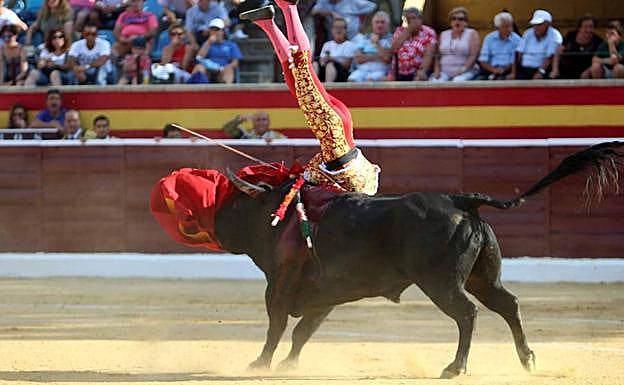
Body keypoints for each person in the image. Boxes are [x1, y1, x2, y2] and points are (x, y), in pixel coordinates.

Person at [241, 3, 379, 195]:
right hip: (333, 134)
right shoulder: (343, 181)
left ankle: (266, 23)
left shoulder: (356, 180)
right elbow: (314, 177)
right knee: (302, 70)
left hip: (343, 130)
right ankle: (289, 8)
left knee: (299, 82)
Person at [431, 6, 479, 82]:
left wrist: (462, 70)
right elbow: (437, 56)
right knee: (434, 82)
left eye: (461, 19)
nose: (457, 21)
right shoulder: (443, 34)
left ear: (466, 22)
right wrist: (437, 70)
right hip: (444, 71)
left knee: (457, 82)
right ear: (450, 21)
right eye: (454, 18)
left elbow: (473, 55)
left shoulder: (472, 33)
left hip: (465, 70)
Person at [510, 9, 562, 80]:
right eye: (534, 25)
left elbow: (550, 57)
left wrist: (540, 72)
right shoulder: (528, 33)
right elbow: (519, 53)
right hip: (524, 69)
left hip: (542, 70)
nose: (536, 27)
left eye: (539, 25)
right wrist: (514, 72)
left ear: (548, 24)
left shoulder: (554, 35)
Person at [389, 7, 436, 81]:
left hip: (418, 71)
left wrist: (422, 70)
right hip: (400, 71)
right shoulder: (400, 31)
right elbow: (393, 49)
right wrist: (408, 32)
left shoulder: (428, 32)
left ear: (420, 19)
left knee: (419, 78)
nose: (411, 21)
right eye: (408, 19)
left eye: (414, 18)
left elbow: (429, 54)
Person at [347, 10, 392, 82]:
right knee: (351, 80)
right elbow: (358, 59)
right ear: (372, 24)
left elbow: (387, 58)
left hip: (380, 70)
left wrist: (377, 43)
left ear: (388, 24)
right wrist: (378, 57)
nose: (379, 25)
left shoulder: (391, 39)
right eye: (377, 22)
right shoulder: (364, 38)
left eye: (382, 22)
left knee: (370, 80)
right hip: (362, 69)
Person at [192, 17, 240, 83]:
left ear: (223, 31)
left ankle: (226, 91)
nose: (214, 32)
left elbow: (235, 62)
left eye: (217, 29)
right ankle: (198, 91)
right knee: (199, 67)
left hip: (222, 70)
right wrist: (208, 43)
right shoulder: (206, 44)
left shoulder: (231, 45)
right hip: (208, 70)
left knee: (228, 70)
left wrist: (226, 67)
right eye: (212, 29)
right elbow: (199, 58)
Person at [476, 11, 520, 80]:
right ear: (497, 28)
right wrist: (494, 70)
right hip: (490, 70)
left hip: (508, 70)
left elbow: (515, 60)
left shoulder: (517, 39)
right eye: (505, 27)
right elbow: (483, 60)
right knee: (478, 81)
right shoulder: (489, 38)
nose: (509, 29)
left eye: (510, 26)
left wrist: (503, 70)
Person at [557, 14, 603, 79]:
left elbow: (599, 60)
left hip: (586, 72)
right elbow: (559, 50)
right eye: (585, 27)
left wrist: (588, 71)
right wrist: (555, 69)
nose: (588, 30)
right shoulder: (570, 35)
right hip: (567, 69)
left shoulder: (598, 41)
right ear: (579, 28)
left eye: (591, 27)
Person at [314, 17, 356, 82]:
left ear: (345, 30)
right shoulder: (327, 44)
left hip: (342, 73)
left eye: (341, 27)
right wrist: (323, 61)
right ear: (332, 30)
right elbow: (322, 60)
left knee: (330, 65)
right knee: (315, 64)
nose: (338, 30)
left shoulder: (350, 45)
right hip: (325, 71)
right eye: (336, 27)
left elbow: (347, 65)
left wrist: (332, 59)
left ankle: (329, 88)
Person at [311, 0, 376, 41]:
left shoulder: (352, 2)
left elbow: (372, 7)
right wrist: (331, 13)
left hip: (353, 38)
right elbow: (314, 11)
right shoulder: (323, 2)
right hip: (335, 41)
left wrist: (362, 24)